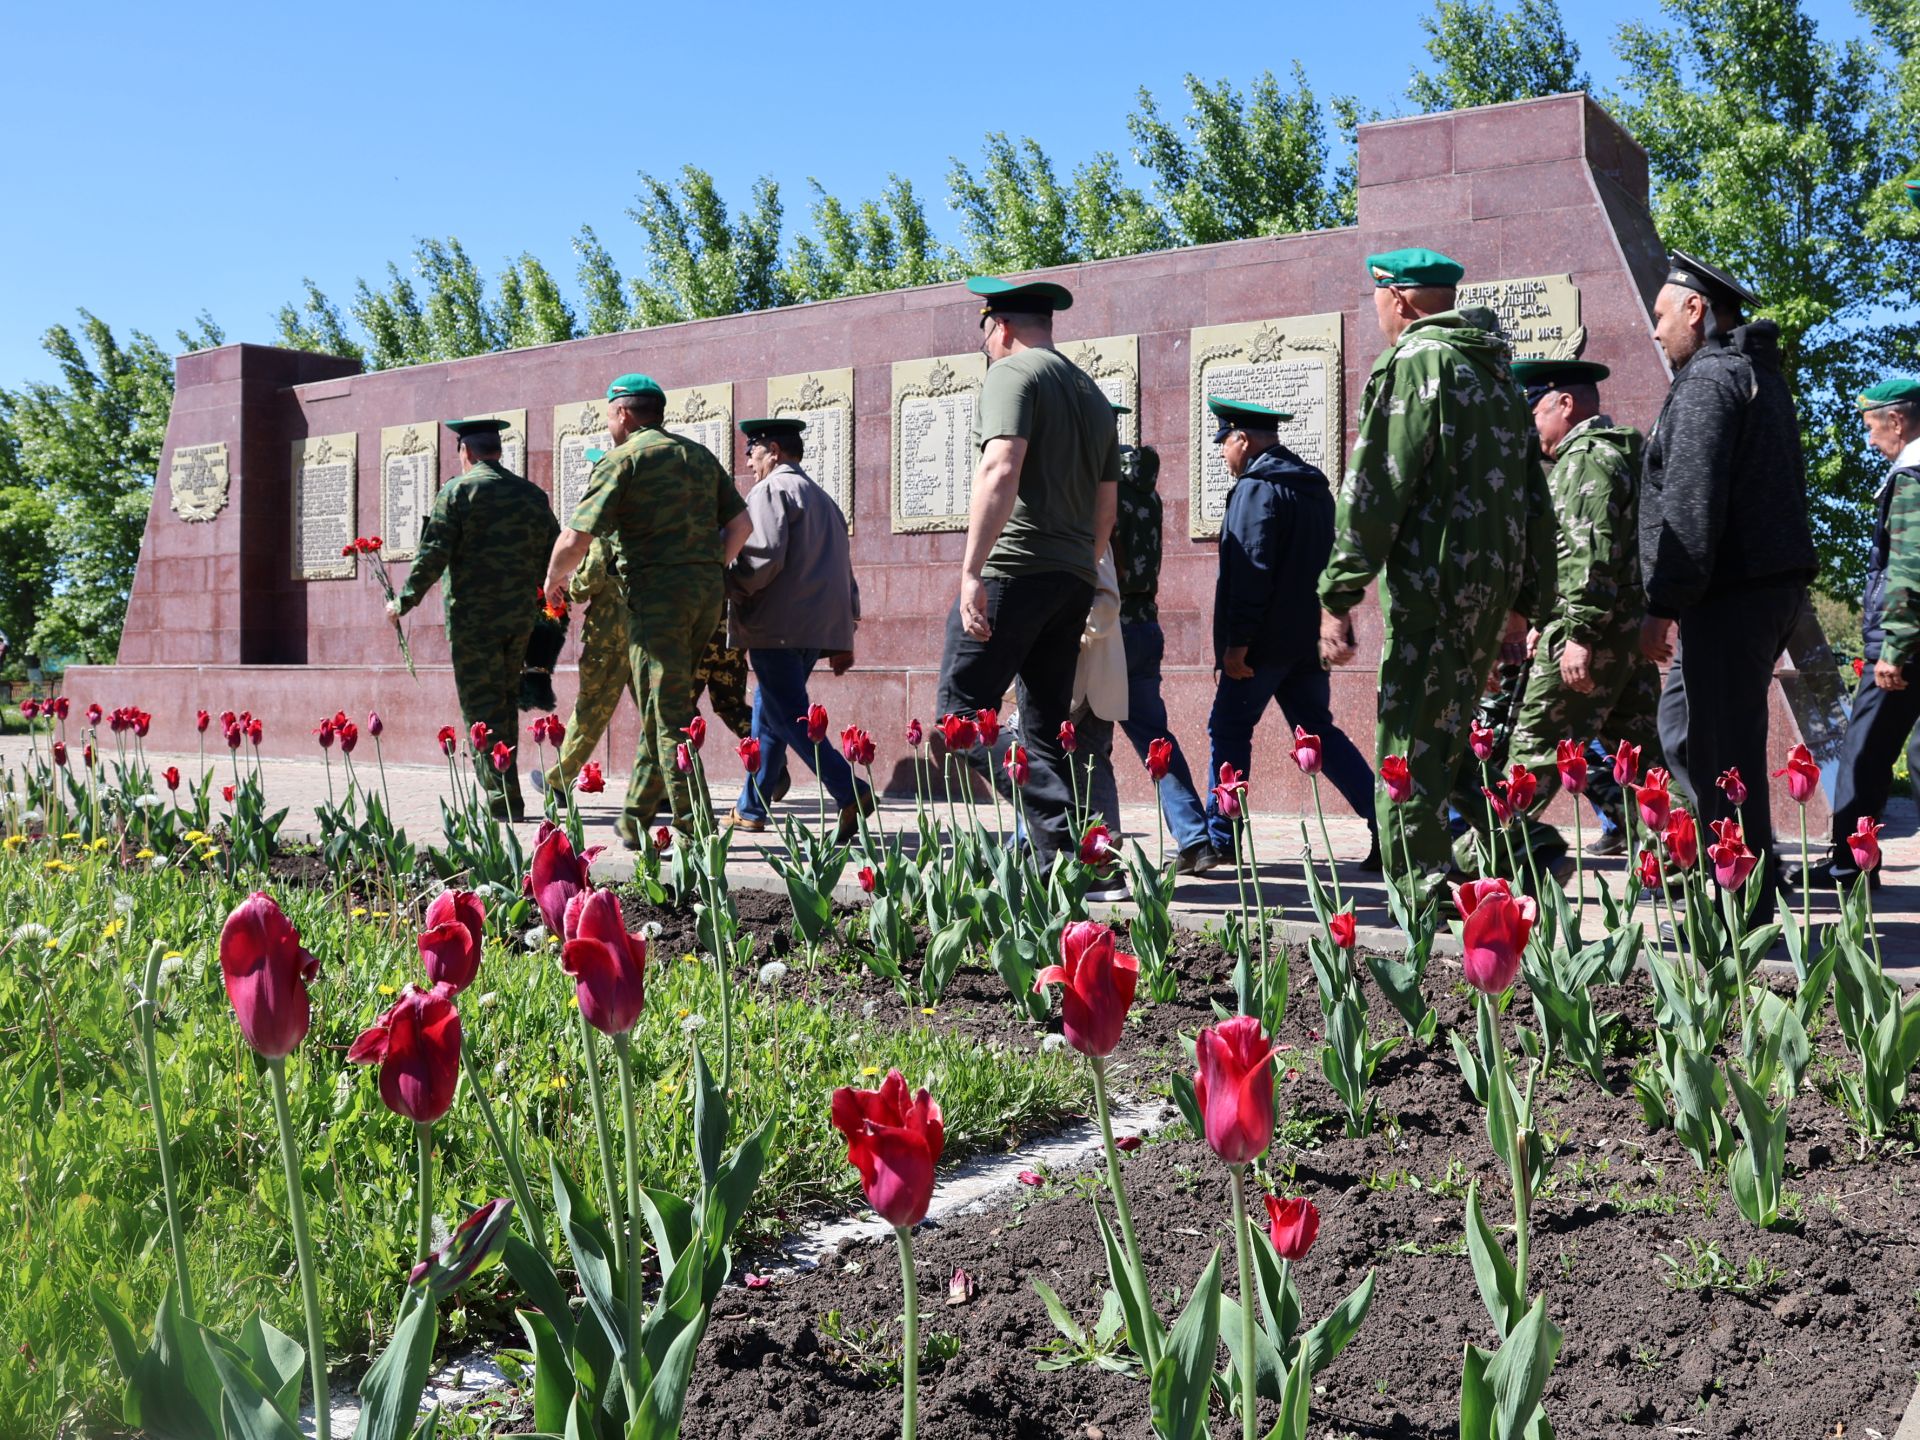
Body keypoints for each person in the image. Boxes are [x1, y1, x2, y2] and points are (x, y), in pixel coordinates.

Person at [1318, 247, 1554, 890]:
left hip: (1434, 587)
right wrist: (1529, 598)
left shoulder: (1418, 361)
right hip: (1490, 589)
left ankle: (1422, 889)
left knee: (1409, 744)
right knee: (1446, 735)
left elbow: (1376, 484)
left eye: (1375, 298)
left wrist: (1339, 590)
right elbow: (1536, 497)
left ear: (1397, 298)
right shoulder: (1500, 377)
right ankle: (1521, 846)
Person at [1639, 250, 1817, 902]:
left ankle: (1743, 902)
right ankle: (1741, 864)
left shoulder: (1711, 379)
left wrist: (1662, 603)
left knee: (1725, 750)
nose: (1656, 332)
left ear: (1696, 308)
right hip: (1757, 590)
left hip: (1729, 593)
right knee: (1686, 729)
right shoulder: (1755, 375)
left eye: (1663, 316)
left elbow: (1691, 498)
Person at [935, 275, 1120, 864]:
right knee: (1042, 730)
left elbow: (1001, 465)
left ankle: (1060, 819)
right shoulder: (1091, 393)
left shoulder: (1011, 373)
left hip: (1013, 568)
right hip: (1071, 576)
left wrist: (971, 572)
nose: (986, 344)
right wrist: (1081, 568)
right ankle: (1056, 869)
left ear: (1003, 325)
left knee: (958, 713)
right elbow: (1106, 506)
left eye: (986, 332)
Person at [541, 374, 752, 846]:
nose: (609, 425)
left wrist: (553, 581)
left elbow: (577, 538)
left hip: (658, 599)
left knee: (669, 711)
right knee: (664, 702)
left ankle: (696, 827)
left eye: (609, 416)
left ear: (623, 413)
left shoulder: (622, 460)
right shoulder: (697, 456)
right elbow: (741, 524)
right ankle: (634, 818)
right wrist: (706, 566)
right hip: (705, 595)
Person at [1472, 358, 1661, 870]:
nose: (1530, 428)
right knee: (1646, 765)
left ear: (1565, 404)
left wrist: (1575, 632)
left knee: (1531, 756)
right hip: (1622, 637)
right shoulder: (1621, 455)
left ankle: (1483, 869)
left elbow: (1587, 554)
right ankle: (1679, 867)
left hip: (1588, 639)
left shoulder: (1586, 459)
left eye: (1533, 413)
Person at [1205, 395, 1378, 865]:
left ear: (1243, 439)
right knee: (1319, 734)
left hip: (1262, 645)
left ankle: (1220, 838)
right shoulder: (1314, 488)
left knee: (1228, 729)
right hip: (1307, 642)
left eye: (1225, 443)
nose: (1223, 453)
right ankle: (1386, 823)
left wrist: (1236, 644)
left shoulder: (1256, 489)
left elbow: (1251, 571)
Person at [389, 417, 559, 820]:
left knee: (481, 707)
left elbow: (433, 554)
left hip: (473, 621)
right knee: (504, 700)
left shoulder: (458, 491)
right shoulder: (531, 494)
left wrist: (403, 602)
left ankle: (502, 800)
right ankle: (509, 794)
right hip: (520, 618)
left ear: (465, 451)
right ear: (498, 451)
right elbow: (554, 551)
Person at [724, 416, 869, 840]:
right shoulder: (823, 498)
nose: (748, 461)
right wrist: (847, 630)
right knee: (769, 717)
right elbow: (845, 572)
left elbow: (762, 558)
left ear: (773, 450)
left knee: (789, 717)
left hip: (777, 626)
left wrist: (723, 580)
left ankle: (850, 790)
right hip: (815, 629)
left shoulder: (771, 490)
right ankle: (751, 807)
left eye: (752, 451)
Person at [1816, 377, 1920, 887]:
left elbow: (1909, 566)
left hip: (1904, 639)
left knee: (1864, 752)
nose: (1871, 440)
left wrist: (1894, 647)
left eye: (1871, 427)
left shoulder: (1912, 476)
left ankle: (1848, 868)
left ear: (1896, 421)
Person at [1108, 406, 1215, 874]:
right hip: (1146, 624)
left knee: (1063, 739)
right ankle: (1194, 838)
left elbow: (1108, 555)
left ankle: (1048, 845)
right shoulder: (1146, 493)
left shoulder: (1103, 489)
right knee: (1155, 738)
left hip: (1106, 630)